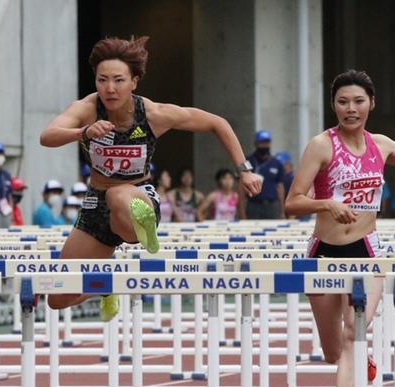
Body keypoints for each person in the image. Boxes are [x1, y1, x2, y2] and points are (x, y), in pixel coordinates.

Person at [38, 36, 262, 322]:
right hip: (95, 205)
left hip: (137, 195)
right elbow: (48, 136)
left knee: (118, 194)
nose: (109, 88)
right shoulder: (87, 108)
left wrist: (244, 169)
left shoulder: (154, 114)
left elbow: (217, 123)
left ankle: (143, 224)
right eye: (102, 80)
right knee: (58, 297)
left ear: (135, 81)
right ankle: (106, 283)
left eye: (118, 80)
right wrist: (83, 132)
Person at [284, 69, 395, 387]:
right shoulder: (321, 145)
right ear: (334, 106)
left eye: (358, 101)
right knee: (332, 351)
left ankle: (356, 353)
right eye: (343, 102)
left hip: (367, 250)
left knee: (354, 332)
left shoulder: (381, 145)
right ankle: (355, 357)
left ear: (371, 104)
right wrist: (327, 204)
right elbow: (292, 203)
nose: (351, 108)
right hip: (323, 252)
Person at [238, 129, 285, 219]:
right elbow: (240, 186)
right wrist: (241, 211)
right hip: (253, 205)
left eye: (267, 142)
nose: (264, 145)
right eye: (261, 143)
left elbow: (280, 187)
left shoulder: (277, 163)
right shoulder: (246, 161)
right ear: (256, 144)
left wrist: (282, 211)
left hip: (272, 205)